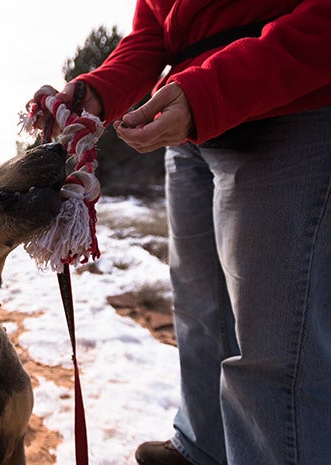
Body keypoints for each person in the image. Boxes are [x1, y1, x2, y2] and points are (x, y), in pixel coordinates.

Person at [31, 1, 331, 464]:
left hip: (286, 109)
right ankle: (202, 447)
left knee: (277, 354)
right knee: (200, 311)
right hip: (189, 122)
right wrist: (101, 89)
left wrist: (213, 91)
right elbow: (155, 30)